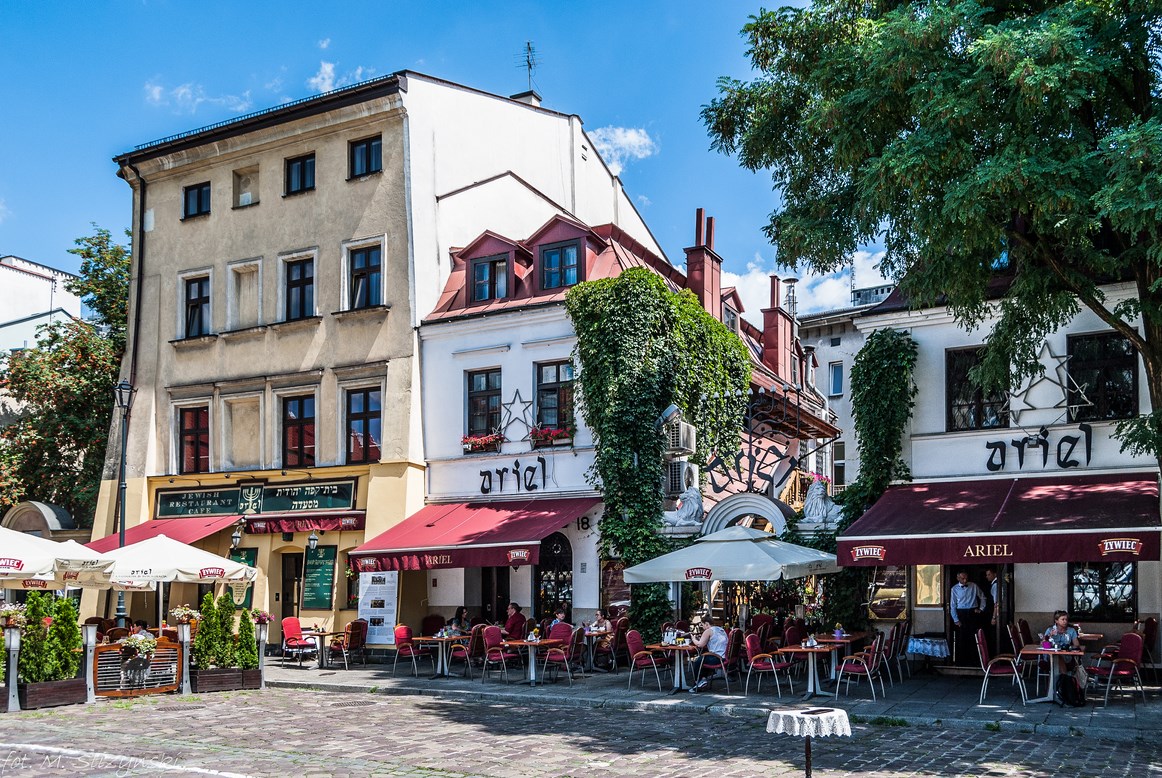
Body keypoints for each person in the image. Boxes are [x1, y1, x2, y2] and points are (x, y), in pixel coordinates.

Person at [949, 571, 984, 665]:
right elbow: (952, 605)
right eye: (962, 578)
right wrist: (956, 619)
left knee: (974, 637)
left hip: (973, 613)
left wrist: (981, 609)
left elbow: (983, 597)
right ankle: (961, 662)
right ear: (958, 578)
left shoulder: (973, 586)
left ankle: (975, 661)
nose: (965, 580)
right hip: (961, 614)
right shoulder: (954, 589)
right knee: (961, 638)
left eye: (966, 578)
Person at [688, 617, 729, 693]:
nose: (703, 628)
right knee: (704, 658)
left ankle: (698, 682)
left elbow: (700, 645)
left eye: (703, 625)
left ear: (707, 624)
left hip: (716, 658)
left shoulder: (708, 631)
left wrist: (693, 639)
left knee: (698, 661)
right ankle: (703, 679)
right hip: (723, 657)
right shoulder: (721, 629)